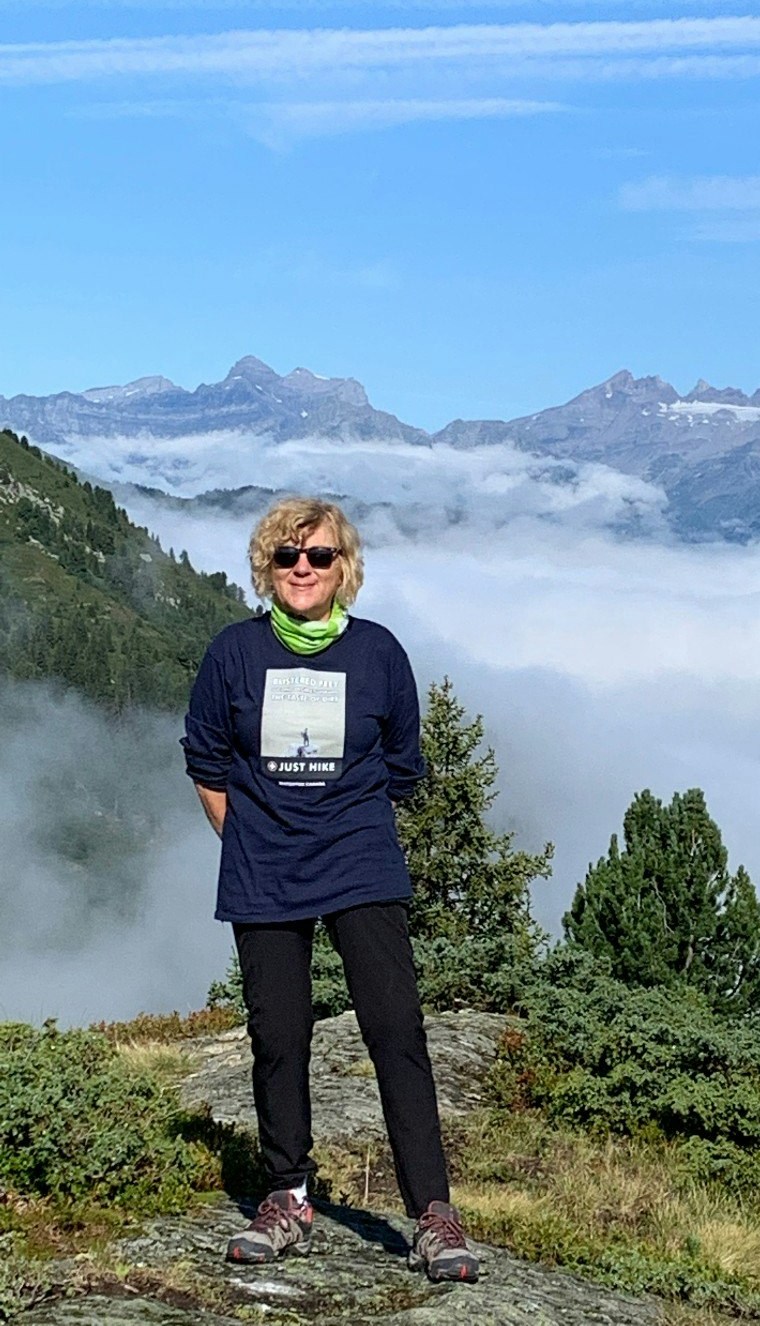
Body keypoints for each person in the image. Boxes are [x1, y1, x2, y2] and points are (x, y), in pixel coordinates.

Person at [182, 496, 479, 1283]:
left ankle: (433, 1214)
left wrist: (332, 830)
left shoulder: (379, 653)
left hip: (360, 863)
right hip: (264, 871)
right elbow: (206, 763)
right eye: (287, 557)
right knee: (278, 1036)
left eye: (317, 556)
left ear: (345, 569)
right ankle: (287, 1195)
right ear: (266, 569)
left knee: (396, 1029)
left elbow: (403, 766)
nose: (302, 568)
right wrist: (251, 839)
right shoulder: (234, 654)